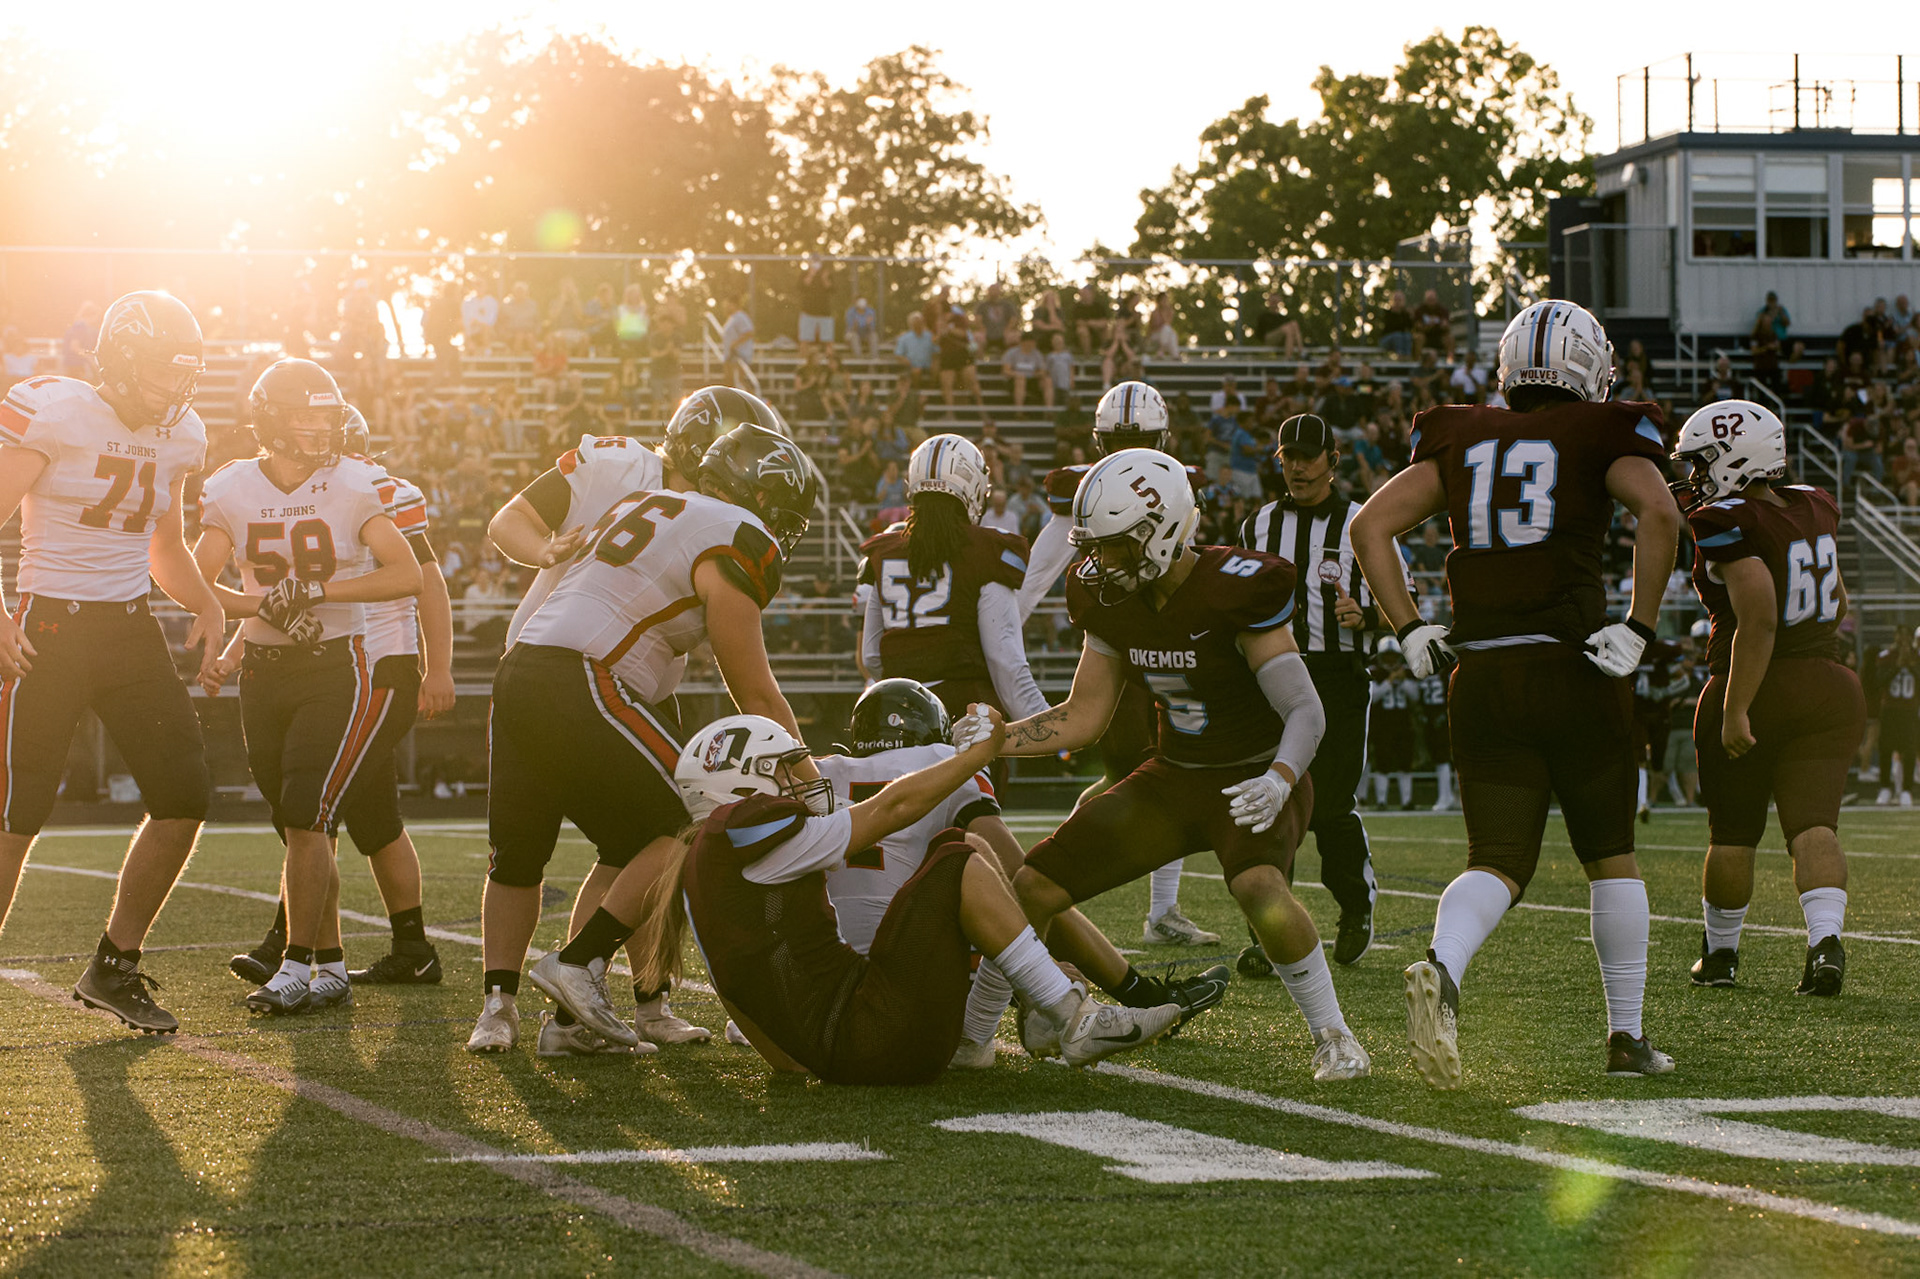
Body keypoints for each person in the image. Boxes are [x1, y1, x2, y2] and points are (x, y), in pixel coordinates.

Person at [1350, 298, 1681, 1087]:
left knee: (1497, 858)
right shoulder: (1604, 431)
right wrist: (1638, 622)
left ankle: (1444, 962)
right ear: (1589, 369)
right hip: (1576, 668)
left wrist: (1407, 627)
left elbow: (1369, 526)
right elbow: (1660, 511)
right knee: (1611, 857)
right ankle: (1626, 1037)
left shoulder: (1463, 434)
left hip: (1484, 673)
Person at [994, 448, 1371, 1082]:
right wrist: (988, 741)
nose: (1100, 563)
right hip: (1173, 775)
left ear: (1162, 532)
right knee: (1033, 885)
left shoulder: (1236, 589)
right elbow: (1085, 716)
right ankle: (982, 1032)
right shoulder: (1110, 596)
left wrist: (1280, 780)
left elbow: (1305, 710)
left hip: (1253, 775)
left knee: (1258, 887)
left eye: (1115, 546)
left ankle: (1334, 1035)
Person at [470, 423, 819, 1056]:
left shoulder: (646, 505)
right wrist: (806, 775)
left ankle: (569, 1025)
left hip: (522, 669)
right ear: (758, 495)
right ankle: (579, 962)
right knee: (695, 816)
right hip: (580, 676)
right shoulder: (735, 536)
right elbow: (756, 693)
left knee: (630, 841)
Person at [607, 710, 1181, 1084]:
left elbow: (741, 999)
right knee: (959, 853)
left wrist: (794, 1065)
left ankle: (1039, 1017)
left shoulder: (707, 863)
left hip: (830, 1050)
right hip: (872, 1037)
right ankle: (1067, 1015)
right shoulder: (748, 835)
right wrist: (974, 758)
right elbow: (890, 810)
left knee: (955, 859)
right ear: (742, 782)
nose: (801, 779)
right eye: (784, 770)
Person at [0, 291, 224, 1034]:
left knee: (185, 790)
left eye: (183, 373)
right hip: (48, 623)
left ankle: (114, 965)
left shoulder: (183, 432)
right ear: (122, 362)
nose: (174, 389)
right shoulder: (54, 410)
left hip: (129, 628)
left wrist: (210, 602)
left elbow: (166, 547)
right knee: (19, 807)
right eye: (163, 371)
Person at [194, 359, 423, 1016]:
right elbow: (192, 572)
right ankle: (331, 965)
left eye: (326, 414)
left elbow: (405, 573)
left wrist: (318, 590)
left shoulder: (352, 482)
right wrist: (253, 606)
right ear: (271, 419)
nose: (320, 427)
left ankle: (295, 963)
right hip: (264, 673)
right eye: (306, 414)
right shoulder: (234, 484)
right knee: (296, 823)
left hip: (334, 666)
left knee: (306, 810)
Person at [815, 678, 1184, 1070]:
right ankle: (1035, 1019)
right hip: (908, 1002)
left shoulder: (819, 773)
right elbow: (1013, 870)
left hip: (826, 1006)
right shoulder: (941, 759)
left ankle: (1040, 1008)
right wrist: (1041, 967)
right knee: (967, 854)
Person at [222, 407, 456, 989]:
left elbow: (427, 582)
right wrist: (234, 647)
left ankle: (292, 943)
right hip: (326, 664)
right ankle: (412, 947)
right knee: (372, 818)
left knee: (311, 805)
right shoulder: (297, 494)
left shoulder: (373, 489)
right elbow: (279, 587)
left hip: (377, 666)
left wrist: (439, 668)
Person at [1669, 400, 1861, 996]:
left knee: (1732, 832)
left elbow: (1759, 621)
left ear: (1733, 458)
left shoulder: (1726, 519)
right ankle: (1825, 946)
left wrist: (1735, 707)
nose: (1694, 478)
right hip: (1829, 684)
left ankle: (1721, 957)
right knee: (1814, 826)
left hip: (1759, 682)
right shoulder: (1813, 504)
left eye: (1702, 464)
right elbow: (1841, 603)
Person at [1016, 383, 1215, 945]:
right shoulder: (1078, 502)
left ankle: (1149, 907)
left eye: (1141, 443)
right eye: (1122, 444)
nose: (1130, 456)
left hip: (1171, 649)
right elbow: (1028, 588)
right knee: (1154, 772)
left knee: (1140, 774)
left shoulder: (1172, 493)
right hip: (1119, 655)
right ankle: (1081, 886)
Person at [1234, 412, 1388, 966]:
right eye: (1288, 457)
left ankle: (1357, 903)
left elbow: (1403, 600)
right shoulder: (1259, 524)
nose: (1297, 467)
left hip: (1337, 675)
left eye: (1308, 456)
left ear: (1332, 461)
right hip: (1273, 676)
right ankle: (1273, 934)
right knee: (1271, 808)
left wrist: (1367, 617)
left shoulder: (1361, 524)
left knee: (1328, 807)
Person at [860, 435, 1047, 727]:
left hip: (897, 715)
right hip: (967, 713)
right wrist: (1048, 726)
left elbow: (872, 656)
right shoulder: (987, 551)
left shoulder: (884, 550)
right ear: (972, 486)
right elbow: (1006, 664)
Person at [1872, 629, 1919, 805]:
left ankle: (1907, 790)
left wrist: (1911, 666)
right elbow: (1879, 682)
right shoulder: (1886, 656)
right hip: (1890, 709)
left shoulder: (1917, 656)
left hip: (1909, 710)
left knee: (1909, 750)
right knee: (1885, 748)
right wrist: (1898, 666)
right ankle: (1885, 787)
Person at [720, 296, 755, 389]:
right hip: (730, 356)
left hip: (738, 356)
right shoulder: (732, 318)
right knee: (730, 384)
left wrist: (734, 344)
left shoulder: (740, 316)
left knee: (741, 382)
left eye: (727, 304)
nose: (725, 306)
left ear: (733, 304)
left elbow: (749, 332)